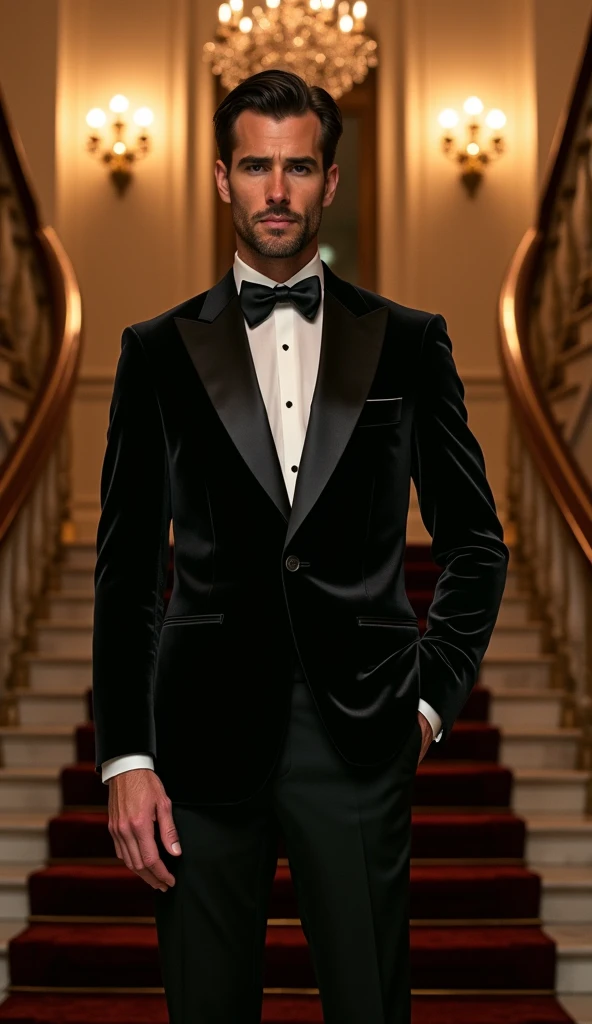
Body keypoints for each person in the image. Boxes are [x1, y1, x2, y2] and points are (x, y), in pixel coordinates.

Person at [92, 68, 509, 1024]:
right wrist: (127, 760)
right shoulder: (153, 353)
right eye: (254, 167)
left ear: (330, 180)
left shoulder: (410, 344)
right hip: (195, 745)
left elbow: (477, 545)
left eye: (297, 168)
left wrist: (431, 705)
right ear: (219, 178)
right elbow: (124, 577)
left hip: (362, 735)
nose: (275, 191)